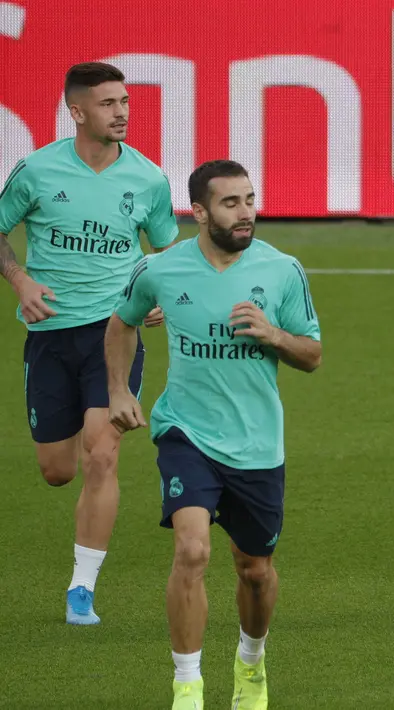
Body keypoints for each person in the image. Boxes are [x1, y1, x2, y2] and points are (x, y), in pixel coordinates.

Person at [105, 160, 322, 708]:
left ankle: (250, 662)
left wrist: (273, 335)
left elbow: (313, 354)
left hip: (256, 444)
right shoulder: (159, 269)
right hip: (186, 431)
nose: (246, 212)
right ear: (198, 212)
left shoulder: (282, 270)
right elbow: (121, 321)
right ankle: (187, 685)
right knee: (193, 550)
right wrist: (119, 391)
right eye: (231, 203)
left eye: (250, 199)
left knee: (254, 571)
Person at [0, 62, 179, 624]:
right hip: (51, 335)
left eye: (125, 101)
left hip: (115, 334)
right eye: (108, 103)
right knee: (58, 470)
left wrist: (158, 297)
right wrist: (21, 279)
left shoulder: (148, 179)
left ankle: (82, 588)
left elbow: (169, 253)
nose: (122, 112)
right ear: (77, 112)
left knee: (102, 453)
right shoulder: (35, 170)